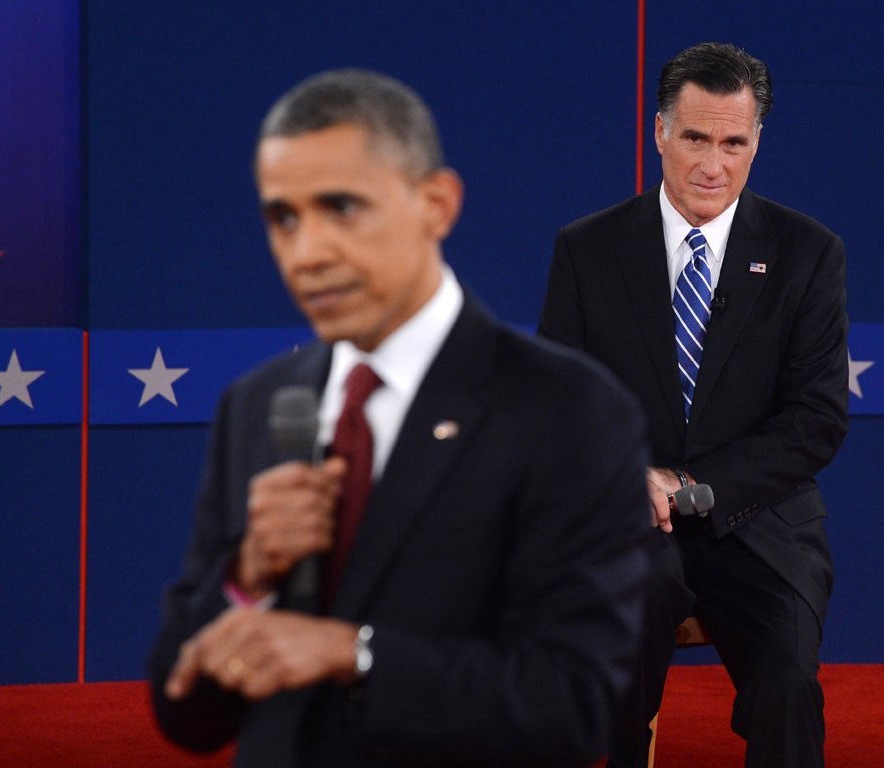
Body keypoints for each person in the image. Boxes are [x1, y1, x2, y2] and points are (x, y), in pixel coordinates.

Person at [148, 68, 667, 768]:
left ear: (437, 204)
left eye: (342, 208)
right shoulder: (257, 406)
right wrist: (247, 577)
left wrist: (354, 654)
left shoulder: (569, 411)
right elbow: (184, 714)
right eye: (284, 218)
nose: (308, 253)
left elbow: (572, 708)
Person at [538, 42, 849, 768]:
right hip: (630, 524)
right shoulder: (588, 248)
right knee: (617, 659)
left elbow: (816, 420)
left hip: (761, 521)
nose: (713, 165)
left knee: (787, 689)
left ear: (756, 143)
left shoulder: (808, 253)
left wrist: (689, 487)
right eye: (696, 138)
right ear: (660, 134)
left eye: (734, 142)